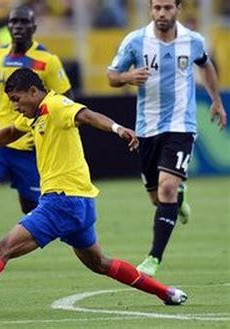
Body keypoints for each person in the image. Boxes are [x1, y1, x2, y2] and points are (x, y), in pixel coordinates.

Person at [0, 68, 188, 318]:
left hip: (62, 201)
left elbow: (86, 115)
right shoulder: (33, 115)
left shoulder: (57, 106)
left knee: (2, 249)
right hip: (80, 203)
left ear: (34, 92)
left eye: (16, 99)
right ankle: (166, 292)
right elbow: (11, 132)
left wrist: (118, 128)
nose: (15, 106)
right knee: (99, 263)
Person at [107, 0, 227, 277]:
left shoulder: (192, 41)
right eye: (157, 7)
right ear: (150, 10)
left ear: (178, 9)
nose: (162, 13)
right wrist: (127, 76)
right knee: (157, 198)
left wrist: (216, 101)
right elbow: (111, 76)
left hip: (180, 125)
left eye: (167, 8)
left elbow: (206, 65)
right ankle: (179, 196)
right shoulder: (136, 41)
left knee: (167, 189)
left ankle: (153, 258)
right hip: (147, 128)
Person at [0, 5, 73, 271]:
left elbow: (66, 97)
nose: (18, 27)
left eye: (24, 22)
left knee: (31, 206)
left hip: (31, 142)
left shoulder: (48, 60)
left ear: (34, 27)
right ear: (7, 26)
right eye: (14, 22)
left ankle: (72, 237)